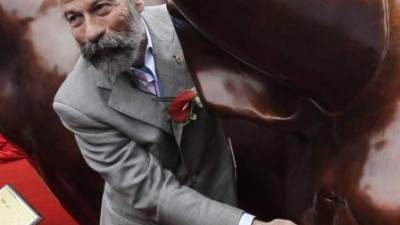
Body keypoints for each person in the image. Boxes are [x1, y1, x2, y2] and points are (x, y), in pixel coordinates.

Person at [54, 0, 297, 225]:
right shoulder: (76, 104)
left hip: (221, 195)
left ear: (136, 2)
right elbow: (152, 192)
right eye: (74, 18)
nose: (91, 32)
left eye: (102, 8)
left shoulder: (189, 26)